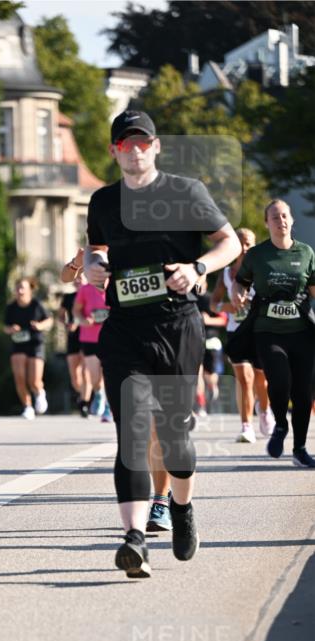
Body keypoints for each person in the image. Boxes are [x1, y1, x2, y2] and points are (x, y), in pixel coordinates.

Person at [85, 109, 241, 578]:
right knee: (130, 433)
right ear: (115, 150)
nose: (134, 150)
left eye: (142, 143)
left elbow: (228, 242)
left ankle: (182, 507)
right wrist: (94, 265)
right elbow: (98, 249)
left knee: (174, 437)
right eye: (125, 144)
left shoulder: (185, 192)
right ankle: (133, 538)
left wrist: (198, 269)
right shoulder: (103, 200)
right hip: (125, 328)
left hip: (177, 325)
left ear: (155, 148)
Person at [232, 199, 315, 468]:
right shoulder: (257, 255)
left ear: (291, 220)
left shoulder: (306, 253)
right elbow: (240, 281)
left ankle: (300, 449)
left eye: (284, 216)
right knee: (279, 379)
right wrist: (239, 294)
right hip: (267, 330)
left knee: (303, 393)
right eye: (275, 217)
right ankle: (280, 425)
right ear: (267, 223)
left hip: (301, 331)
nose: (281, 221)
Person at [211, 228, 274, 442]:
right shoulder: (226, 274)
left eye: (249, 243)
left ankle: (264, 411)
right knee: (245, 379)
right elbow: (213, 302)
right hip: (236, 332)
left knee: (261, 380)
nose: (245, 248)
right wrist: (227, 306)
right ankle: (246, 426)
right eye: (241, 243)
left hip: (260, 332)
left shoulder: (263, 270)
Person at [3, 277, 53, 419]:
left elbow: (49, 320)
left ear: (30, 290)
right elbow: (5, 327)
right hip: (18, 343)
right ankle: (27, 406)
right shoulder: (11, 307)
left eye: (22, 288)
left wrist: (40, 326)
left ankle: (39, 392)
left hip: (36, 343)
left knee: (34, 380)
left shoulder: (37, 305)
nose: (19, 291)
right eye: (17, 288)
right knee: (19, 377)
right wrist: (11, 329)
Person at [73, 276, 112, 422]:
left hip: (110, 337)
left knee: (109, 374)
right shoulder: (85, 289)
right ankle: (99, 393)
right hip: (89, 338)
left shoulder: (113, 286)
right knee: (95, 376)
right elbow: (76, 310)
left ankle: (109, 408)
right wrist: (83, 320)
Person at [58, 273, 91, 417]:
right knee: (75, 376)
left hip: (88, 336)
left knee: (86, 372)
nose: (78, 281)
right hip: (72, 337)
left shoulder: (91, 294)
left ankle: (85, 402)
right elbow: (60, 314)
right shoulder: (68, 297)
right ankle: (83, 395)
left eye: (81, 278)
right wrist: (66, 324)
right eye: (75, 279)